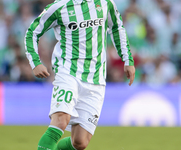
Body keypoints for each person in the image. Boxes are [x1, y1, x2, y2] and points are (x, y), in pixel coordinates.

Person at [24, 0, 135, 149]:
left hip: (96, 79)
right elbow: (32, 32)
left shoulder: (105, 3)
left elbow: (117, 28)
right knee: (61, 120)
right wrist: (35, 62)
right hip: (68, 72)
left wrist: (128, 60)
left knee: (80, 142)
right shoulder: (59, 6)